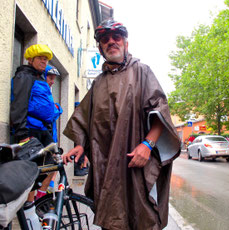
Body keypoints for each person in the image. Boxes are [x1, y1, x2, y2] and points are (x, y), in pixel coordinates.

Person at [62, 19, 181, 230]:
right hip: (106, 168)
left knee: (140, 218)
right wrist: (80, 144)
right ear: (100, 48)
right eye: (105, 39)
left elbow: (160, 112)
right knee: (111, 219)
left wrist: (147, 145)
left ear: (126, 43)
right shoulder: (98, 83)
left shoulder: (142, 72)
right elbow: (85, 120)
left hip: (135, 167)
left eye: (116, 37)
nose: (111, 42)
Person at [10, 44, 55, 203]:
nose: (44, 62)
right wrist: (21, 133)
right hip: (30, 131)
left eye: (46, 59)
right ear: (30, 59)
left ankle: (40, 199)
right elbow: (19, 104)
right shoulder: (25, 76)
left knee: (54, 163)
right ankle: (29, 206)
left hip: (43, 130)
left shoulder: (39, 77)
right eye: (40, 58)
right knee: (32, 170)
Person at [44, 65, 63, 194]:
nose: (52, 82)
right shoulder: (41, 89)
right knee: (50, 167)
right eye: (50, 78)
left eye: (54, 79)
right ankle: (43, 195)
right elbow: (49, 113)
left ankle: (48, 191)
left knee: (54, 166)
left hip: (51, 136)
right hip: (43, 137)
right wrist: (58, 108)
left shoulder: (47, 91)